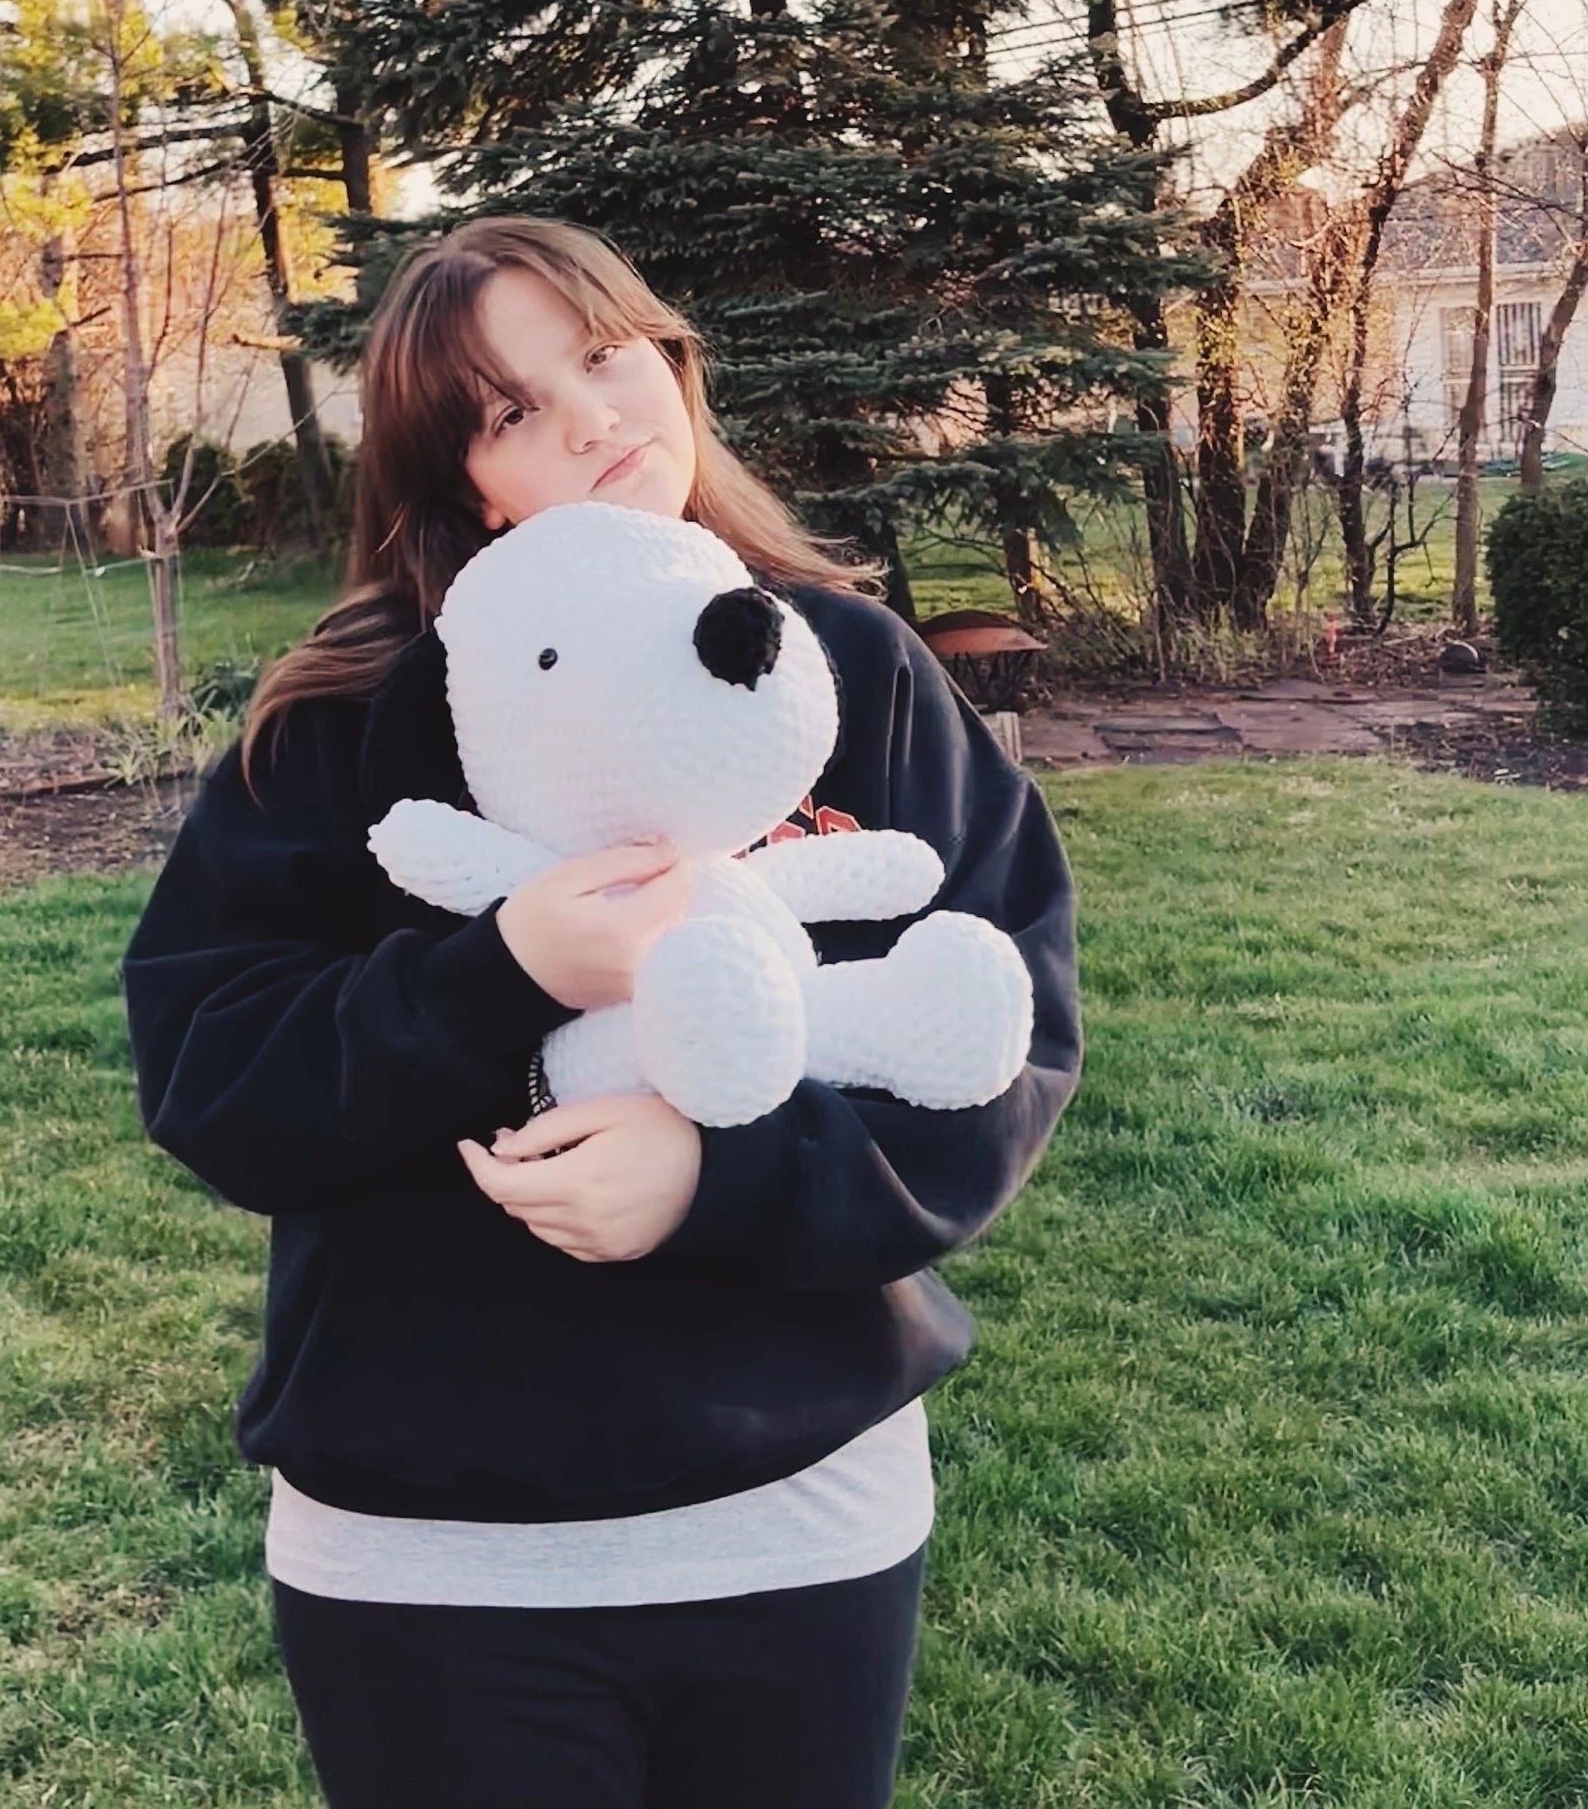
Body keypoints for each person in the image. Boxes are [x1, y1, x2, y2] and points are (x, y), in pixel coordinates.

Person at [120, 216, 1082, 1809]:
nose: (587, 417)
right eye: (510, 409)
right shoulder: (350, 717)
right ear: (461, 482)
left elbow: (1002, 1042)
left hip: (800, 1525)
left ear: (670, 360)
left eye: (601, 354)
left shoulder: (847, 671)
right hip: (436, 1563)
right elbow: (217, 1076)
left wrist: (724, 1172)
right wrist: (505, 971)